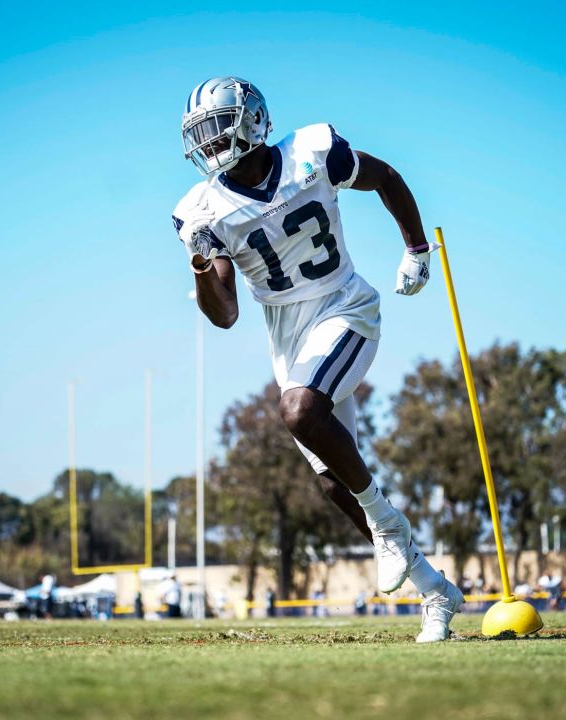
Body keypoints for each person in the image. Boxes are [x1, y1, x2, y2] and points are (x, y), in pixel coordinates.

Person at [172, 76, 462, 643]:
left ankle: (390, 528)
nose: (209, 146)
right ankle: (436, 590)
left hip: (345, 306)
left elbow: (388, 178)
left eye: (217, 129)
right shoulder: (201, 210)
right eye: (200, 136)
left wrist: (416, 249)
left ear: (252, 122)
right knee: (334, 482)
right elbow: (225, 314)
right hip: (288, 334)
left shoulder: (313, 151)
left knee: (301, 411)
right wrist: (203, 266)